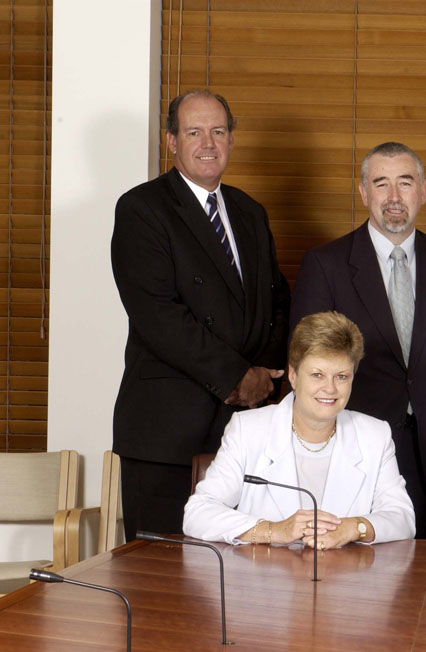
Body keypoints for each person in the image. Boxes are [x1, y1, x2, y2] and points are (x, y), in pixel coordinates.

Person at [111, 90, 289, 541]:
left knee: (236, 584)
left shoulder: (250, 213)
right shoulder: (141, 209)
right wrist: (236, 376)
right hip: (166, 432)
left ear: (231, 139)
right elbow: (158, 316)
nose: (208, 143)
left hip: (244, 431)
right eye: (194, 132)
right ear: (172, 141)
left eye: (218, 131)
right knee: (158, 583)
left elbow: (275, 305)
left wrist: (264, 378)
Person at [289, 142, 426, 539]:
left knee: (418, 577)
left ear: (424, 191)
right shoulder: (327, 263)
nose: (394, 197)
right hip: (352, 445)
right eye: (381, 184)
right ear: (364, 193)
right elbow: (306, 360)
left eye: (405, 182)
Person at [184, 311, 415, 546]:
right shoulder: (248, 430)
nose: (330, 389)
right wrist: (273, 530)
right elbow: (198, 513)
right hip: (263, 578)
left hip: (344, 578)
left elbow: (403, 517)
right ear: (293, 376)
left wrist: (354, 527)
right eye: (317, 375)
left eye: (342, 377)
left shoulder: (375, 435)